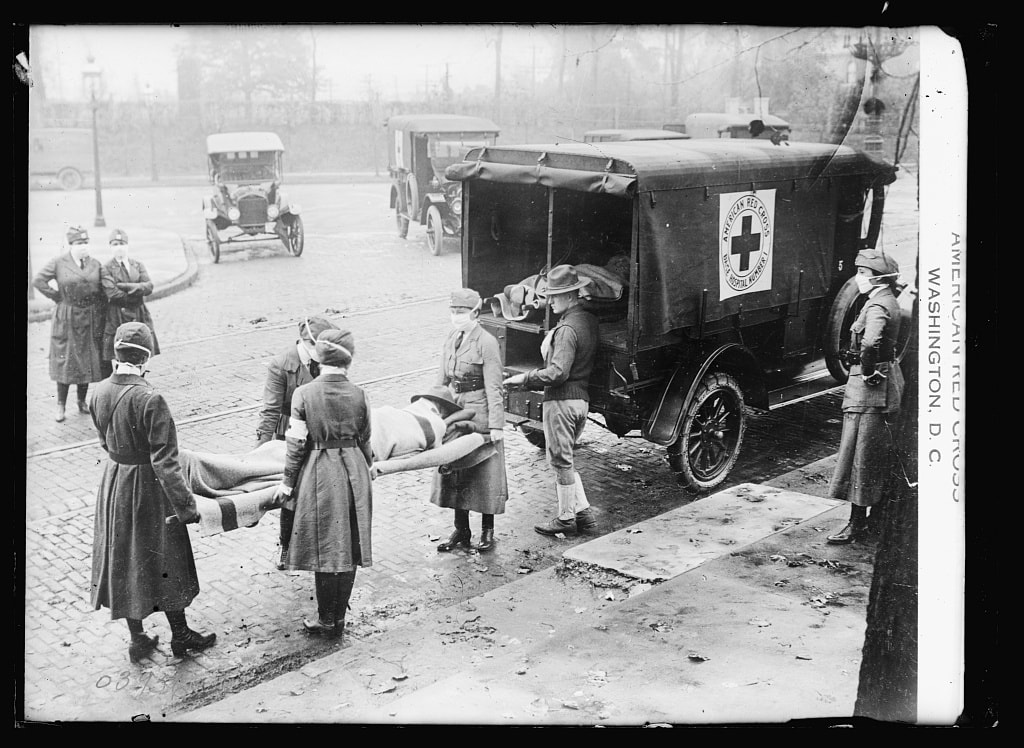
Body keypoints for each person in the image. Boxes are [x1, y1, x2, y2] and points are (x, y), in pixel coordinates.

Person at [89, 322, 216, 662]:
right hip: (148, 489)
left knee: (124, 559)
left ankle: (138, 638)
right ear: (145, 359)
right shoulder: (151, 398)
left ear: (117, 354)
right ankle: (181, 635)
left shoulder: (97, 391)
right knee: (165, 558)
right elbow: (166, 462)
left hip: (115, 484)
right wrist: (187, 508)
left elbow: (104, 441)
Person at [272, 328, 372, 639]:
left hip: (319, 473)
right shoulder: (360, 394)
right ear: (348, 360)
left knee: (324, 544)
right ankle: (338, 619)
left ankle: (325, 619)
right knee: (350, 543)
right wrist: (367, 466)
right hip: (354, 471)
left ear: (320, 356)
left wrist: (288, 482)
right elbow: (366, 439)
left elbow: (296, 444)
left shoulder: (304, 394)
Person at [502, 265, 601, 537]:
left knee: (560, 462)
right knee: (565, 460)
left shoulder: (568, 328)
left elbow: (558, 372)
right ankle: (585, 516)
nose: (550, 300)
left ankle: (566, 518)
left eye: (556, 295)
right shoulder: (588, 320)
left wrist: (524, 379)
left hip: (561, 403)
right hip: (580, 401)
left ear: (570, 296)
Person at [826, 249, 905, 544]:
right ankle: (872, 519)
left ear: (878, 278)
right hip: (882, 388)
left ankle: (857, 524)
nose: (859, 278)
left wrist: (868, 370)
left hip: (870, 391)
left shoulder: (877, 306)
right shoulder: (886, 301)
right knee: (873, 455)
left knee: (861, 456)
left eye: (863, 273)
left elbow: (870, 342)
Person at [256, 315, 339, 569]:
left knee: (323, 487)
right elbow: (270, 410)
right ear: (306, 342)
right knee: (290, 493)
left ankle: (319, 544)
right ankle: (286, 546)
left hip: (321, 434)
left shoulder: (326, 360)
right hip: (289, 435)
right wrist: (260, 451)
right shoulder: (281, 365)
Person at [430, 289, 508, 553]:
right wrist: (432, 407)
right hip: (455, 408)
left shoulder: (486, 342)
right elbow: (441, 379)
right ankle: (461, 530)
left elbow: (494, 386)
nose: (456, 317)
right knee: (455, 469)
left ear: (475, 312)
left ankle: (488, 531)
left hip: (479, 413)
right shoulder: (452, 337)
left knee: (484, 473)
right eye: (453, 312)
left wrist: (496, 425)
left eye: (461, 312)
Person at [32, 225, 107, 422]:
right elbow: (39, 281)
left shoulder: (95, 264)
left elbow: (102, 289)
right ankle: (61, 406)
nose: (83, 246)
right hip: (67, 318)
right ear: (71, 245)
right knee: (65, 362)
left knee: (86, 361)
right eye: (79, 243)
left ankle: (81, 401)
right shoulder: (59, 262)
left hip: (89, 318)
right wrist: (57, 297)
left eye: (85, 242)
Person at [100, 228, 160, 376]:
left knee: (142, 347)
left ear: (127, 245)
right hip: (117, 315)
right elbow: (112, 293)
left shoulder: (137, 265)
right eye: (115, 244)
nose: (119, 247)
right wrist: (137, 291)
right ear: (110, 247)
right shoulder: (106, 268)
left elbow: (149, 286)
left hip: (139, 312)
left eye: (121, 243)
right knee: (120, 352)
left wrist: (125, 286)